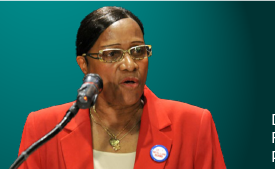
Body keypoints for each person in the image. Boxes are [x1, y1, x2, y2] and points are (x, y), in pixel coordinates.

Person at [18, 6, 226, 169]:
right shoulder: (44, 127)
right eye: (112, 54)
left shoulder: (194, 125)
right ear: (84, 64)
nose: (130, 65)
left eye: (138, 51)